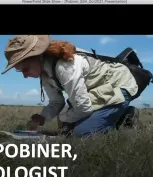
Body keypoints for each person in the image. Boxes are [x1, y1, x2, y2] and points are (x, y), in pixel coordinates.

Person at [1, 35, 140, 137]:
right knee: (66, 129)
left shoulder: (65, 67)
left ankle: (125, 116)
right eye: (20, 71)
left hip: (119, 85)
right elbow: (57, 102)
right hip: (96, 90)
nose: (25, 75)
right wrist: (41, 118)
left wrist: (63, 118)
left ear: (38, 57)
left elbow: (83, 107)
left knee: (81, 134)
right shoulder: (44, 72)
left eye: (25, 69)